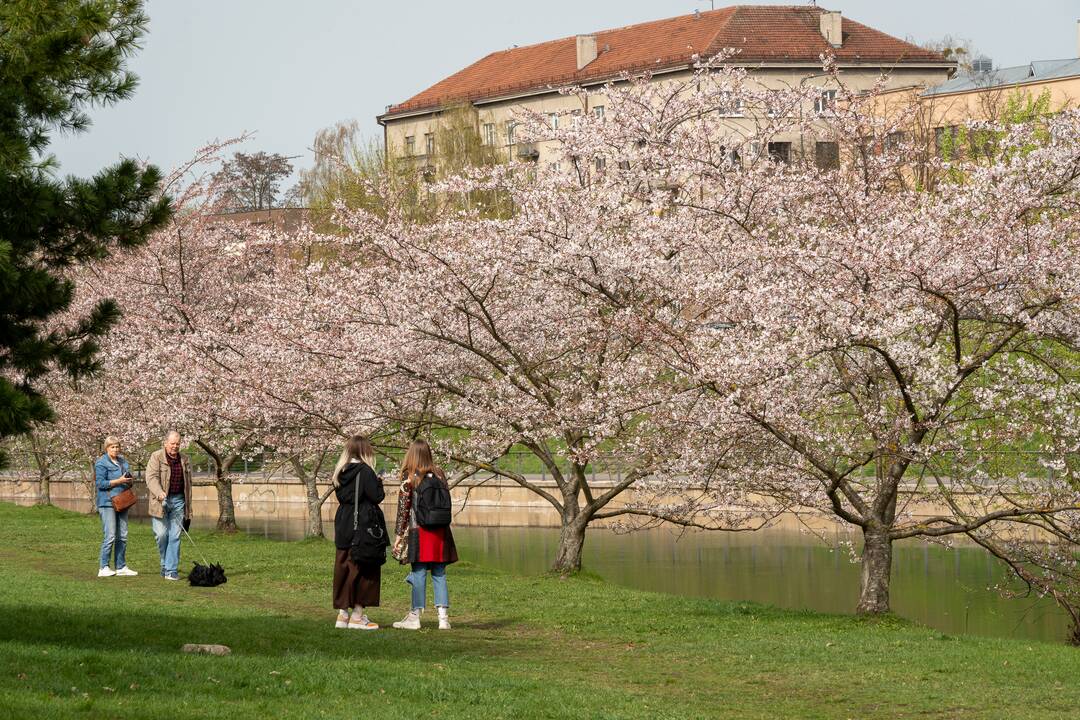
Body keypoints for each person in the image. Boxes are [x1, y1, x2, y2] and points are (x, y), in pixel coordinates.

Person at [392, 439, 457, 631]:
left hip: (418, 531)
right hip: (441, 532)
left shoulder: (409, 475)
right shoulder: (439, 473)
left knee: (418, 572)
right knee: (439, 572)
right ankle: (443, 618)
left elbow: (404, 508)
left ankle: (415, 616)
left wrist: (398, 534)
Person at [331, 435, 385, 630]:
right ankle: (357, 615)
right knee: (364, 567)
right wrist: (379, 482)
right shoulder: (366, 472)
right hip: (362, 524)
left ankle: (342, 614)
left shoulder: (340, 472)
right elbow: (376, 496)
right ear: (365, 451)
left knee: (344, 566)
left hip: (343, 522)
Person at [144, 430, 192, 581]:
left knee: (175, 536)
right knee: (161, 535)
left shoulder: (185, 459)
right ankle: (165, 564)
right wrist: (159, 493)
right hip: (160, 501)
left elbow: (189, 484)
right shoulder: (156, 456)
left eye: (178, 444)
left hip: (178, 501)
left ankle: (171, 570)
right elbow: (151, 478)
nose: (175, 446)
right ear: (165, 443)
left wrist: (188, 506)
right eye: (172, 443)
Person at [94, 436, 138, 577]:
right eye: (112, 447)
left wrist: (129, 481)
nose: (115, 449)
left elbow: (127, 480)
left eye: (117, 446)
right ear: (107, 448)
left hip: (122, 501)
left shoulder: (123, 462)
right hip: (107, 502)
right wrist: (118, 481)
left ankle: (121, 566)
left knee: (123, 535)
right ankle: (103, 567)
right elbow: (100, 483)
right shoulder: (101, 463)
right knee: (110, 535)